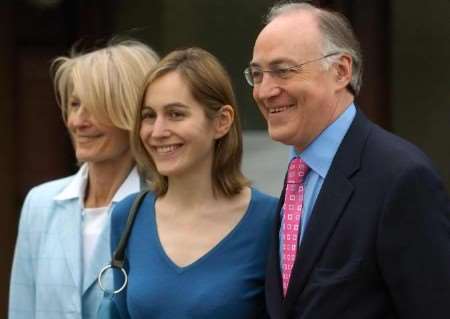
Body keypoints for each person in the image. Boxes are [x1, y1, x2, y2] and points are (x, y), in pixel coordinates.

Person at [245, 2, 450, 319]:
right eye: (257, 74)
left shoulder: (401, 177)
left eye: (283, 71)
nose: (265, 91)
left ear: (341, 71)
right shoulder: (299, 172)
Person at [110, 47, 278, 319]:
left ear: (222, 122)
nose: (157, 131)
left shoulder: (271, 221)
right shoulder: (127, 216)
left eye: (176, 114)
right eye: (149, 115)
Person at [8, 40, 159, 319]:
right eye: (75, 104)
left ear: (131, 112)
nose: (78, 121)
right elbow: (22, 310)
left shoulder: (163, 207)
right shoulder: (39, 204)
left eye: (95, 107)